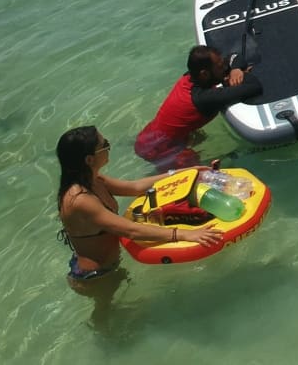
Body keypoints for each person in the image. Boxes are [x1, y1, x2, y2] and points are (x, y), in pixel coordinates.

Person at [56, 125, 222, 312]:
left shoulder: (93, 179)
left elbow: (135, 187)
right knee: (105, 315)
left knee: (116, 310)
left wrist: (183, 174)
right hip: (95, 276)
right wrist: (184, 234)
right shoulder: (80, 200)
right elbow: (130, 230)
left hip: (104, 265)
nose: (109, 147)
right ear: (89, 159)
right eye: (105, 145)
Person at [134, 45, 263, 170]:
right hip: (158, 148)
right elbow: (254, 87)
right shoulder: (203, 98)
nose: (224, 68)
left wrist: (235, 69)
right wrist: (241, 76)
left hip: (150, 137)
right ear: (205, 74)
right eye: (220, 67)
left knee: (200, 139)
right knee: (199, 175)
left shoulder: (190, 77)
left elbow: (234, 56)